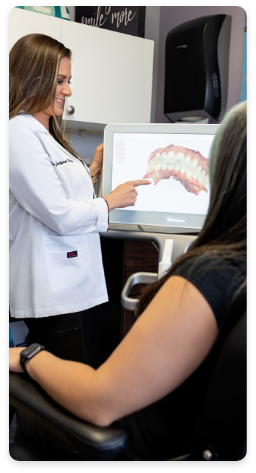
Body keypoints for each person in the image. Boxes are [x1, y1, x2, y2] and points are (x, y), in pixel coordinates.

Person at [9, 96, 247, 460]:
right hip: (194, 440)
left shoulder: (210, 275)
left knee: (29, 413)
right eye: (61, 80)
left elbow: (99, 402)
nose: (69, 91)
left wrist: (27, 356)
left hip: (141, 444)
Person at [9, 33, 150, 364]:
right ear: (33, 77)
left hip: (65, 284)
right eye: (60, 81)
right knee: (61, 389)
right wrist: (111, 201)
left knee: (50, 382)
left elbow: (55, 196)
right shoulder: (18, 132)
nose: (68, 90)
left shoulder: (45, 134)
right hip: (49, 287)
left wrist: (95, 169)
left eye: (69, 81)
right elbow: (58, 214)